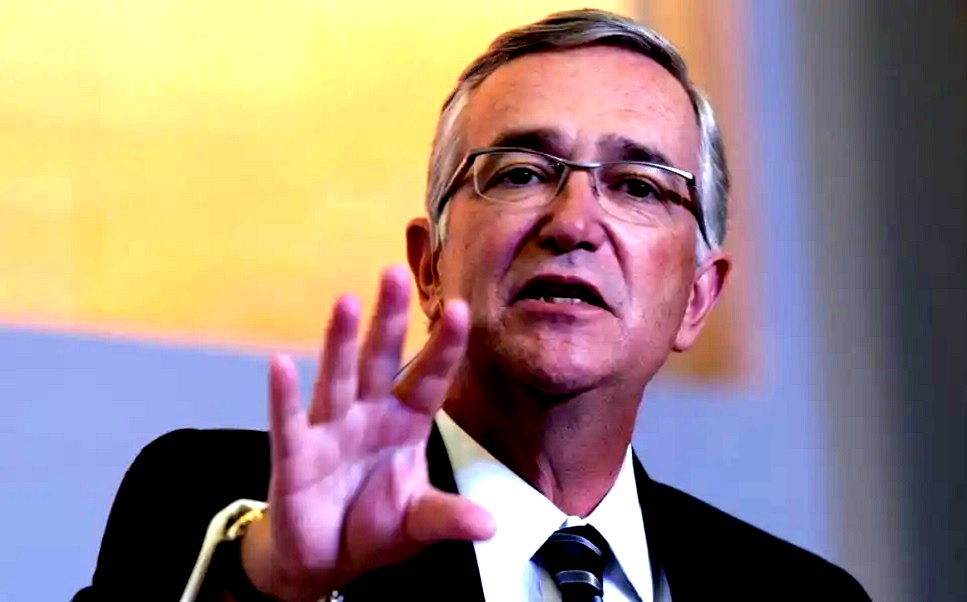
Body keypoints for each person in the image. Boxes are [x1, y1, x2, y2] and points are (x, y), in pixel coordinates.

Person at [74, 9, 869, 602]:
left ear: (697, 299)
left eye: (637, 186)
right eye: (521, 173)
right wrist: (269, 588)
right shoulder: (220, 507)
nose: (574, 224)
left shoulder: (803, 595)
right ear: (430, 267)